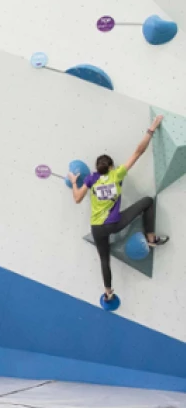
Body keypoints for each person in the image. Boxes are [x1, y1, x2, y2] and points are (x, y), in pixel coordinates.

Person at [68, 116, 170, 302]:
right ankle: (151, 238)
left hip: (96, 228)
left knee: (104, 260)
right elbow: (138, 152)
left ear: (98, 169)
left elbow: (77, 198)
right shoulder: (117, 174)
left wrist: (75, 183)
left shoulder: (91, 178)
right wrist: (151, 129)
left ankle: (108, 292)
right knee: (147, 201)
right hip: (113, 224)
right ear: (112, 166)